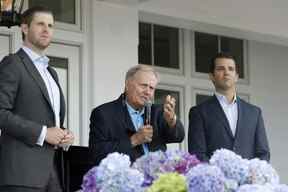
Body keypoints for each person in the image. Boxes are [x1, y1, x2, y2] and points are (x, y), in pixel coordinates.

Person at [0, 6, 74, 192]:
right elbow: (1, 113)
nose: (46, 29)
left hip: (52, 171)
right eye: (40, 24)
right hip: (21, 174)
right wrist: (43, 133)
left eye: (50, 25)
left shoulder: (51, 73)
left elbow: (48, 120)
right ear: (25, 28)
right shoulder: (13, 64)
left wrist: (63, 134)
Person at [89, 65, 185, 165]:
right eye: (143, 85)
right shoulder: (104, 113)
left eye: (151, 88)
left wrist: (171, 121)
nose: (147, 92)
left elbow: (179, 137)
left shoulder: (158, 112)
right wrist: (134, 140)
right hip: (126, 177)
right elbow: (97, 153)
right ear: (127, 85)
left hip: (157, 177)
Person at [188, 52, 270, 162]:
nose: (226, 72)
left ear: (236, 77)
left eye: (231, 69)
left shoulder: (254, 113)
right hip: (215, 178)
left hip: (248, 178)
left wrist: (253, 175)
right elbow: (197, 154)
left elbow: (263, 153)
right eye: (220, 69)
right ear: (211, 76)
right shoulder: (199, 112)